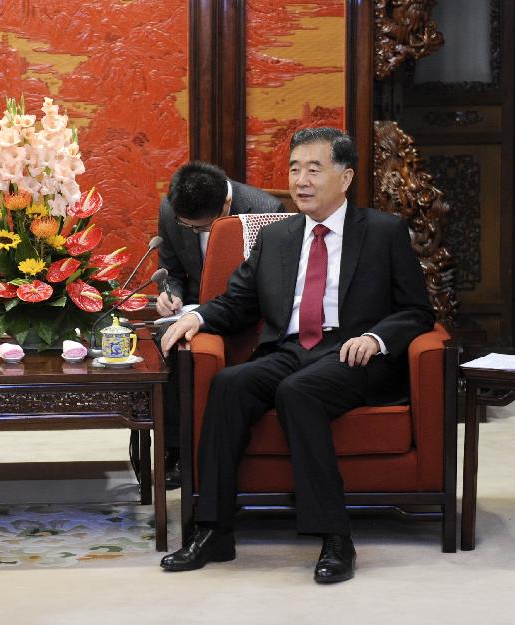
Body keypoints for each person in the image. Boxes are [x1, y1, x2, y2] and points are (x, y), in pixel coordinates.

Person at [158, 128, 434, 583]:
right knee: (228, 384)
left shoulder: (384, 232)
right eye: (293, 169)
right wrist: (198, 318)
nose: (300, 180)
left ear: (345, 178)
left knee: (297, 392)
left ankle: (336, 537)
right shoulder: (278, 236)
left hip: (353, 354)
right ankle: (214, 530)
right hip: (291, 349)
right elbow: (237, 302)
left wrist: (377, 338)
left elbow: (417, 311)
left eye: (314, 169)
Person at [151, 162, 284, 489]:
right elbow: (170, 272)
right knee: (164, 340)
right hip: (193, 307)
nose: (192, 231)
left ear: (224, 206)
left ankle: (194, 449)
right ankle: (171, 446)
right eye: (188, 226)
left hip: (245, 313)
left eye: (200, 228)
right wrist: (169, 296)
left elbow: (271, 287)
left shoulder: (266, 210)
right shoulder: (171, 209)